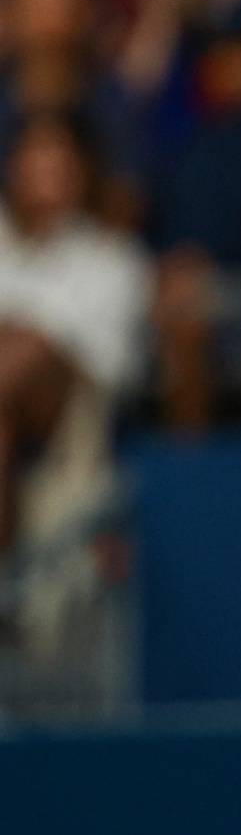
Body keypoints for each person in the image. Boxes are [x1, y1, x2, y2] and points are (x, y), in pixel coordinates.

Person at [0, 112, 152, 557]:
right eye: (37, 157)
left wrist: (31, 338)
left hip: (77, 416)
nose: (48, 170)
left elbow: (115, 370)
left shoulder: (115, 257)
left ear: (84, 172)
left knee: (27, 343)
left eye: (61, 159)